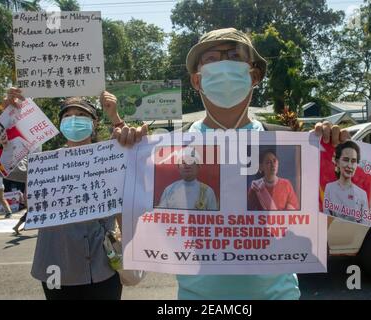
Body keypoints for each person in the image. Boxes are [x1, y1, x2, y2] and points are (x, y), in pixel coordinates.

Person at [115, 27, 350, 300]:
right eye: (212, 59)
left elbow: (313, 233)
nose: (224, 65)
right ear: (196, 80)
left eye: (235, 57)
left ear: (254, 76)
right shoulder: (167, 153)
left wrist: (332, 162)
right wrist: (124, 164)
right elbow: (138, 248)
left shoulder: (290, 147)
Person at [0, 88, 129, 300]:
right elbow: (3, 165)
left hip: (103, 265)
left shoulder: (109, 157)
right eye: (67, 116)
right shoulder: (44, 165)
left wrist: (115, 117)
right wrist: (6, 118)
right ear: (60, 125)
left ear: (94, 123)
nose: (74, 120)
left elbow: (134, 152)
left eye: (81, 115)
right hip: (55, 266)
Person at [323, 141, 369, 224]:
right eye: (346, 160)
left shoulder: (362, 194)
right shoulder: (329, 188)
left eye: (353, 161)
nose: (350, 166)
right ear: (337, 162)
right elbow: (326, 215)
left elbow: (365, 222)